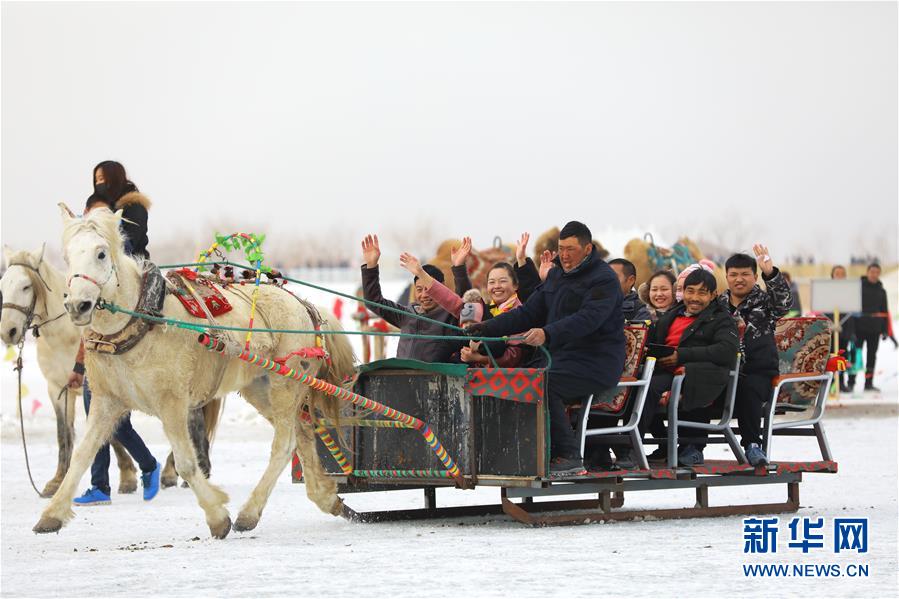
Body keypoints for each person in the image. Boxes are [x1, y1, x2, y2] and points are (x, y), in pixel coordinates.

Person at [465, 221, 625, 476]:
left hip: (596, 361)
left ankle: (568, 456)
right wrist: (487, 328)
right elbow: (529, 312)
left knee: (542, 383)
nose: (564, 255)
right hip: (560, 358)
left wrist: (547, 333)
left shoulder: (603, 280)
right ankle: (523, 452)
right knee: (518, 378)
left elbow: (588, 319)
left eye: (571, 249)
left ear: (587, 249)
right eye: (561, 248)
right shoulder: (557, 276)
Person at [68, 161, 161, 506]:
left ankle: (148, 464)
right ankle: (100, 485)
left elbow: (129, 245)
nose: (100, 184)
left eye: (104, 179)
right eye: (96, 181)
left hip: (128, 291)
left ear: (117, 179)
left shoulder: (132, 208)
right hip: (102, 298)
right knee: (95, 406)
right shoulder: (99, 214)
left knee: (108, 413)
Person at [636, 268, 739, 466]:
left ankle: (636, 446)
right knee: (634, 386)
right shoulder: (672, 315)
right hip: (666, 370)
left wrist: (681, 356)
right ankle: (626, 444)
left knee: (649, 388)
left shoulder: (720, 319)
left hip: (695, 374)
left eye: (702, 292)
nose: (694, 298)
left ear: (713, 295)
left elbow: (726, 350)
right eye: (690, 291)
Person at [718, 245, 793, 467]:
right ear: (727, 277)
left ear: (755, 276)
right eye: (733, 275)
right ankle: (692, 446)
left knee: (747, 389)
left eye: (744, 274)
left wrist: (771, 274)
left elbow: (784, 304)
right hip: (725, 370)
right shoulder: (718, 305)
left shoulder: (765, 302)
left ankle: (752, 445)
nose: (738, 279)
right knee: (698, 383)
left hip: (758, 370)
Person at [360, 234, 460, 362]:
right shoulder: (406, 314)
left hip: (434, 379)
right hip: (401, 377)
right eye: (419, 289)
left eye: (428, 289)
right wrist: (371, 266)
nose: (424, 295)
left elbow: (464, 306)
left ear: (440, 289)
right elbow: (373, 302)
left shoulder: (451, 317)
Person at [849, 263, 893, 392]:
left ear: (879, 274)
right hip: (859, 328)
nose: (874, 274)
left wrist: (885, 330)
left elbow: (884, 311)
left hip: (875, 329)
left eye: (876, 272)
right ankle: (851, 382)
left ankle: (868, 383)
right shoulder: (858, 288)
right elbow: (852, 310)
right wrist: (851, 329)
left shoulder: (881, 291)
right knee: (855, 355)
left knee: (872, 356)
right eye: (872, 272)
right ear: (867, 272)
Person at [829, 265, 855, 392]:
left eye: (842, 274)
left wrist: (850, 332)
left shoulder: (850, 291)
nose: (840, 276)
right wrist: (831, 323)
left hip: (845, 328)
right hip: (832, 329)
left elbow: (851, 312)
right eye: (837, 273)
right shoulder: (827, 291)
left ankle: (841, 382)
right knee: (832, 356)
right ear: (832, 275)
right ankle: (831, 383)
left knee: (844, 356)